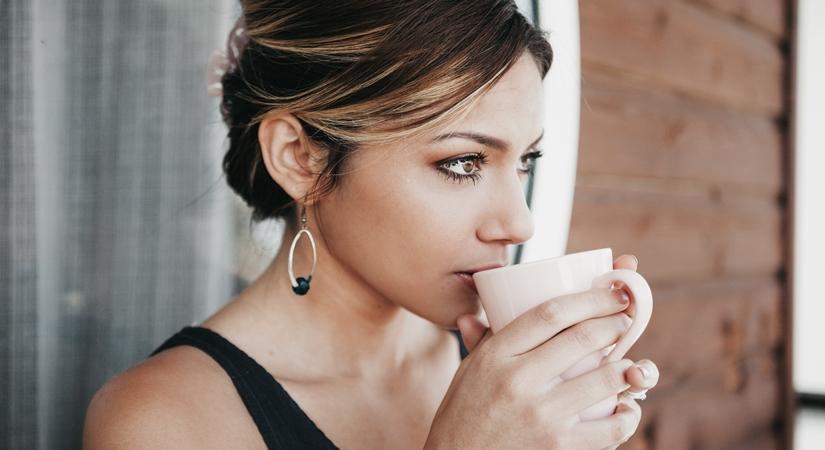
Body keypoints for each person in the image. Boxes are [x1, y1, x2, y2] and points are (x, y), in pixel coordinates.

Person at [83, 1, 659, 448]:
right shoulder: (164, 420)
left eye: (524, 161)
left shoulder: (505, 379)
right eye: (462, 163)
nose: (520, 222)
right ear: (300, 158)